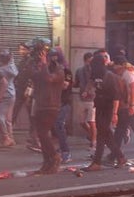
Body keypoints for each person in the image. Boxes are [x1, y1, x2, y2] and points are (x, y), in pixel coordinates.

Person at [28, 44, 66, 174]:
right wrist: (36, 65)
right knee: (41, 134)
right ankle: (47, 162)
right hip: (39, 105)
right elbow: (33, 77)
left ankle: (55, 157)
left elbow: (48, 79)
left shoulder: (59, 72)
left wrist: (44, 65)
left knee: (44, 133)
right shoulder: (40, 70)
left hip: (51, 106)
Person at [84, 50, 123, 171]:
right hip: (99, 105)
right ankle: (120, 157)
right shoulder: (95, 74)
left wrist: (115, 114)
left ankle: (97, 162)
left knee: (102, 133)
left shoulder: (110, 76)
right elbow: (91, 83)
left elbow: (116, 97)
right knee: (107, 135)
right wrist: (87, 91)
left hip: (108, 107)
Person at [50, 48, 74, 164]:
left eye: (56, 56)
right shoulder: (52, 69)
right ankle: (61, 147)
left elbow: (65, 85)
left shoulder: (66, 71)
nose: (54, 59)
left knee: (59, 125)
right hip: (54, 102)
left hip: (64, 102)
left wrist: (54, 80)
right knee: (55, 126)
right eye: (52, 56)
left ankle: (66, 152)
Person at [0, 49, 18, 149]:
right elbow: (15, 72)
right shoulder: (12, 68)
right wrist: (12, 59)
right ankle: (11, 138)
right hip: (12, 93)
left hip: (4, 94)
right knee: (8, 118)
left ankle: (6, 138)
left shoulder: (1, 70)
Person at [74, 51, 96, 151]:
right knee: (82, 122)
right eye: (88, 61)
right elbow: (76, 83)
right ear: (85, 61)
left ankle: (93, 142)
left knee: (91, 121)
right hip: (83, 98)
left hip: (92, 99)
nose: (89, 63)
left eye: (91, 61)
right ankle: (92, 135)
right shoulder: (79, 71)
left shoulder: (95, 71)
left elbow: (94, 83)